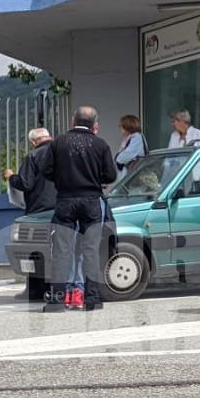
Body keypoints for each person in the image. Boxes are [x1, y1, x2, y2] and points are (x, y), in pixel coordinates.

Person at [40, 106, 119, 310]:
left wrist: (63, 179)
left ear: (73, 121)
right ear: (95, 125)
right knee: (91, 250)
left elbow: (46, 170)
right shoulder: (100, 144)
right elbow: (111, 175)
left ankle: (57, 300)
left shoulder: (59, 142)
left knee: (61, 250)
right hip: (91, 200)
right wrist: (95, 179)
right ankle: (92, 299)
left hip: (65, 199)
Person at [4, 128, 57, 216]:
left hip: (39, 208)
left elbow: (26, 184)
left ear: (33, 142)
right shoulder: (63, 152)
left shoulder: (33, 155)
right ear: (49, 137)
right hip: (63, 206)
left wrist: (11, 177)